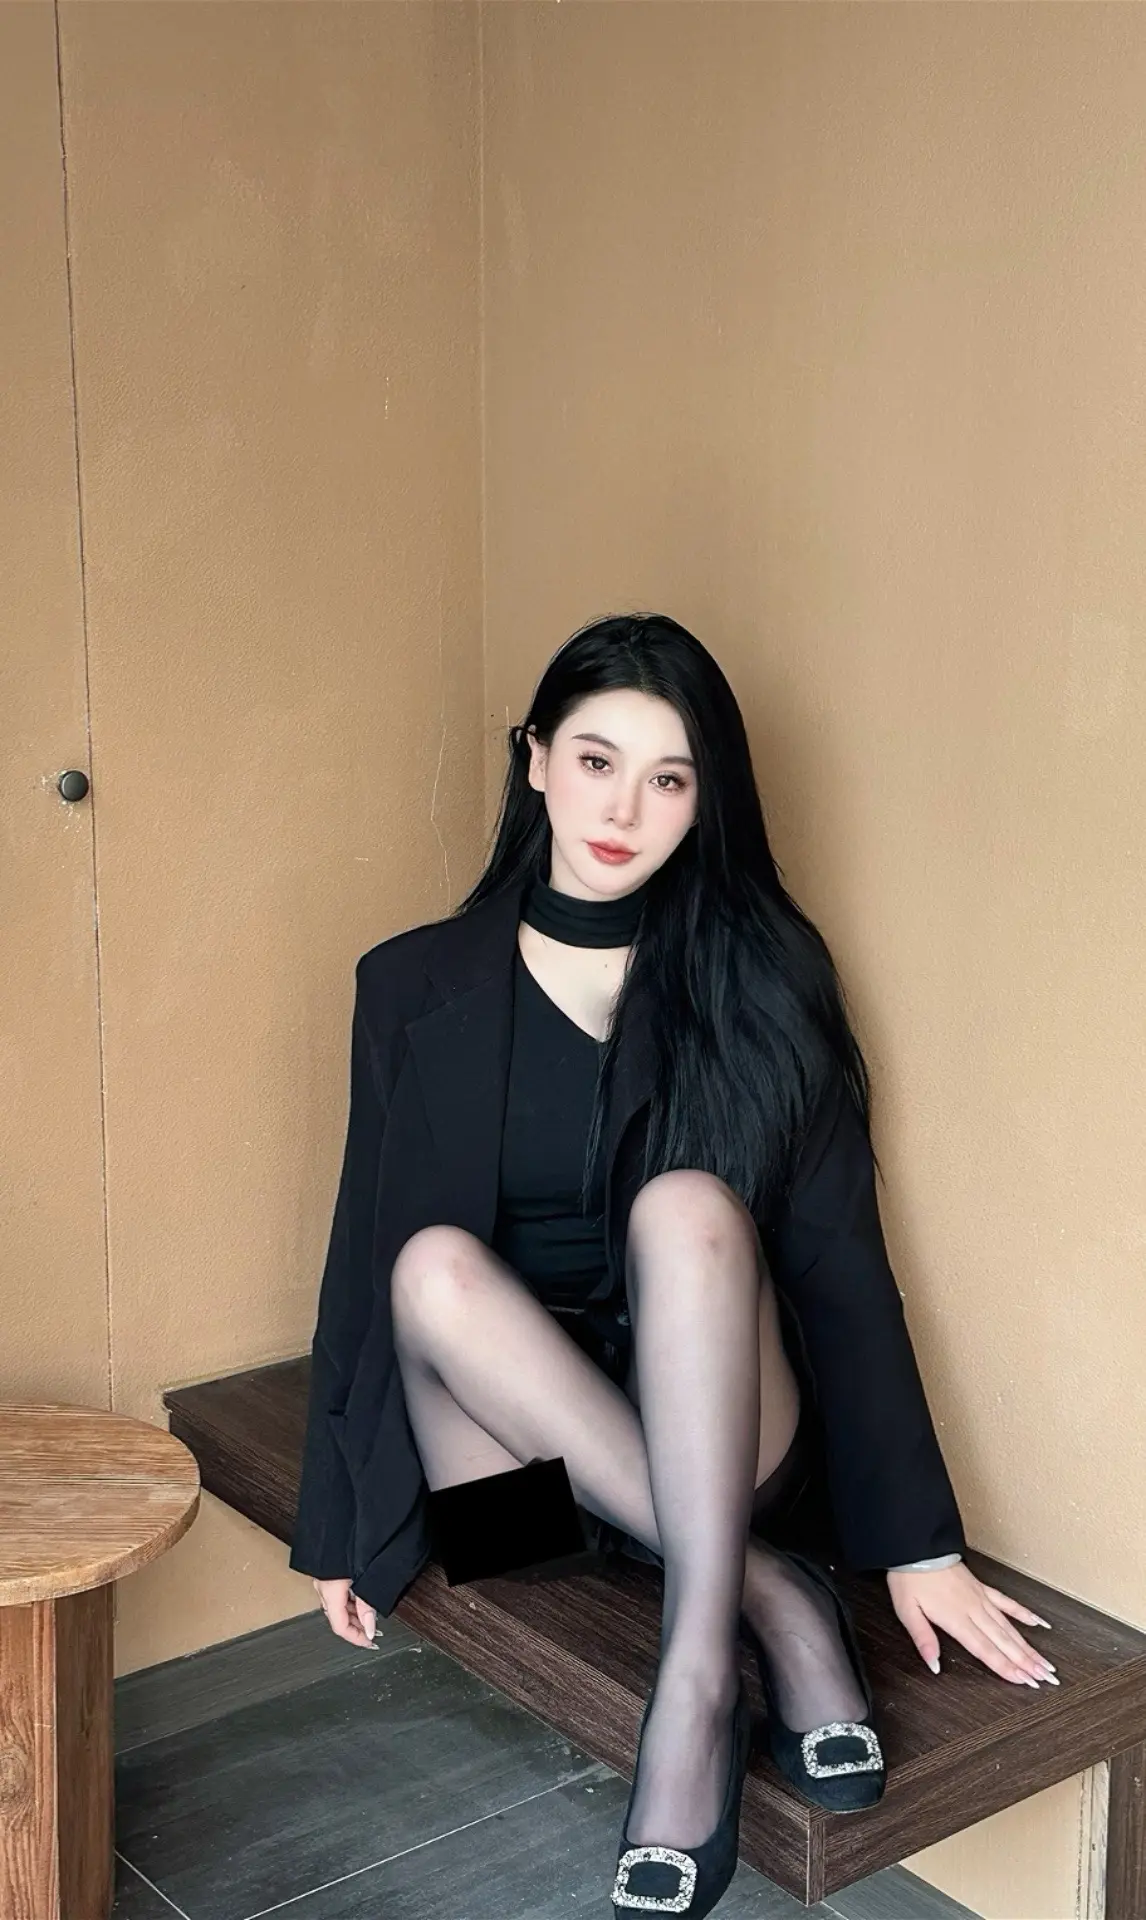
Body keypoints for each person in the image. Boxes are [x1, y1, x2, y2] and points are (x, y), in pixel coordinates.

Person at [289, 613, 1055, 1917]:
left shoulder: (761, 975)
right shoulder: (410, 984)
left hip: (726, 1439)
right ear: (535, 761)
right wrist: (331, 1526)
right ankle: (772, 1594)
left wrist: (916, 1546)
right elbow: (359, 1251)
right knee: (427, 1268)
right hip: (517, 1498)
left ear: (705, 803)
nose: (622, 810)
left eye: (668, 778)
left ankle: (692, 1694)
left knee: (688, 1208)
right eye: (596, 762)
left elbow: (839, 1264)